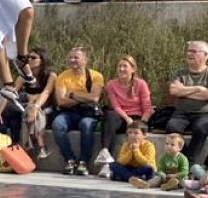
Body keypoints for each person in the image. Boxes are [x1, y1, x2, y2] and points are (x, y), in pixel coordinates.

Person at [166, 40, 208, 161]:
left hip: (205, 114)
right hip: (181, 114)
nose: (189, 54)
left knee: (201, 129)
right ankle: (186, 159)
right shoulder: (179, 73)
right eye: (188, 51)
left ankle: (187, 159)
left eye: (194, 51)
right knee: (172, 128)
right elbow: (174, 91)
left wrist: (184, 91)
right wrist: (198, 88)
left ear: (205, 55)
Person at [96, 55, 152, 178]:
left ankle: (133, 168)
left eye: (125, 66)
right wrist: (127, 119)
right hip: (121, 116)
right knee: (109, 115)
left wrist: (141, 123)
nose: (121, 69)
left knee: (125, 130)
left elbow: (147, 107)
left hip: (137, 117)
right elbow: (116, 106)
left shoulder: (141, 84)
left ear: (133, 69)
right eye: (119, 66)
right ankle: (106, 157)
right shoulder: (111, 84)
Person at [51, 47, 104, 176]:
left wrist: (72, 95)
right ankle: (70, 160)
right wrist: (84, 98)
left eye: (76, 57)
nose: (72, 60)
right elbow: (61, 101)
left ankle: (83, 162)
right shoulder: (63, 76)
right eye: (71, 57)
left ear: (85, 60)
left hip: (88, 113)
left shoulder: (96, 76)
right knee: (58, 124)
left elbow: (95, 98)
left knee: (86, 125)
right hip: (68, 112)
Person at [16, 47, 55, 159]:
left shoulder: (51, 75)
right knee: (28, 111)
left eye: (33, 57)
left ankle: (26, 149)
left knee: (31, 112)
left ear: (42, 60)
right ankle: (42, 146)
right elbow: (13, 91)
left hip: (47, 106)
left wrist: (35, 107)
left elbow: (46, 93)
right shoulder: (25, 75)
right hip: (29, 106)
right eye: (28, 57)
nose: (29, 60)